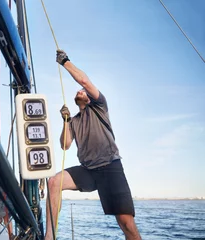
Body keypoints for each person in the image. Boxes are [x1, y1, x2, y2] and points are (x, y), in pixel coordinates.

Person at [44, 50, 141, 240]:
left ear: (89, 98)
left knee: (126, 224)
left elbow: (84, 82)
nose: (81, 91)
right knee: (54, 182)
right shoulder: (74, 121)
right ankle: (49, 237)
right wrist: (65, 121)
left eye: (83, 92)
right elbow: (65, 145)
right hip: (88, 170)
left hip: (110, 167)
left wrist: (65, 62)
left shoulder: (99, 106)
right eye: (78, 92)